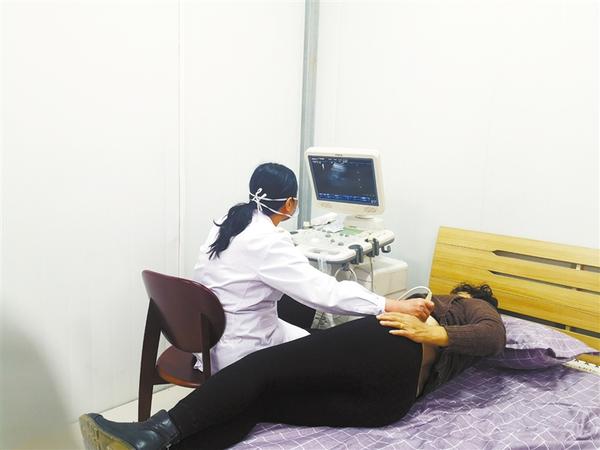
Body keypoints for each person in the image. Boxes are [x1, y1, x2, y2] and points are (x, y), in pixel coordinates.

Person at [79, 283, 506, 450]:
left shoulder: (468, 305)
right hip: (388, 404)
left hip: (395, 350)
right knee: (261, 401)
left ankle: (156, 432)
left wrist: (436, 332)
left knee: (262, 367)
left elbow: (495, 335)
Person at [189, 162, 432, 373]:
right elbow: (324, 292)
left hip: (208, 338)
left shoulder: (229, 220)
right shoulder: (268, 241)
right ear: (289, 204)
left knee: (304, 335)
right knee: (324, 353)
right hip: (240, 349)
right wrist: (390, 304)